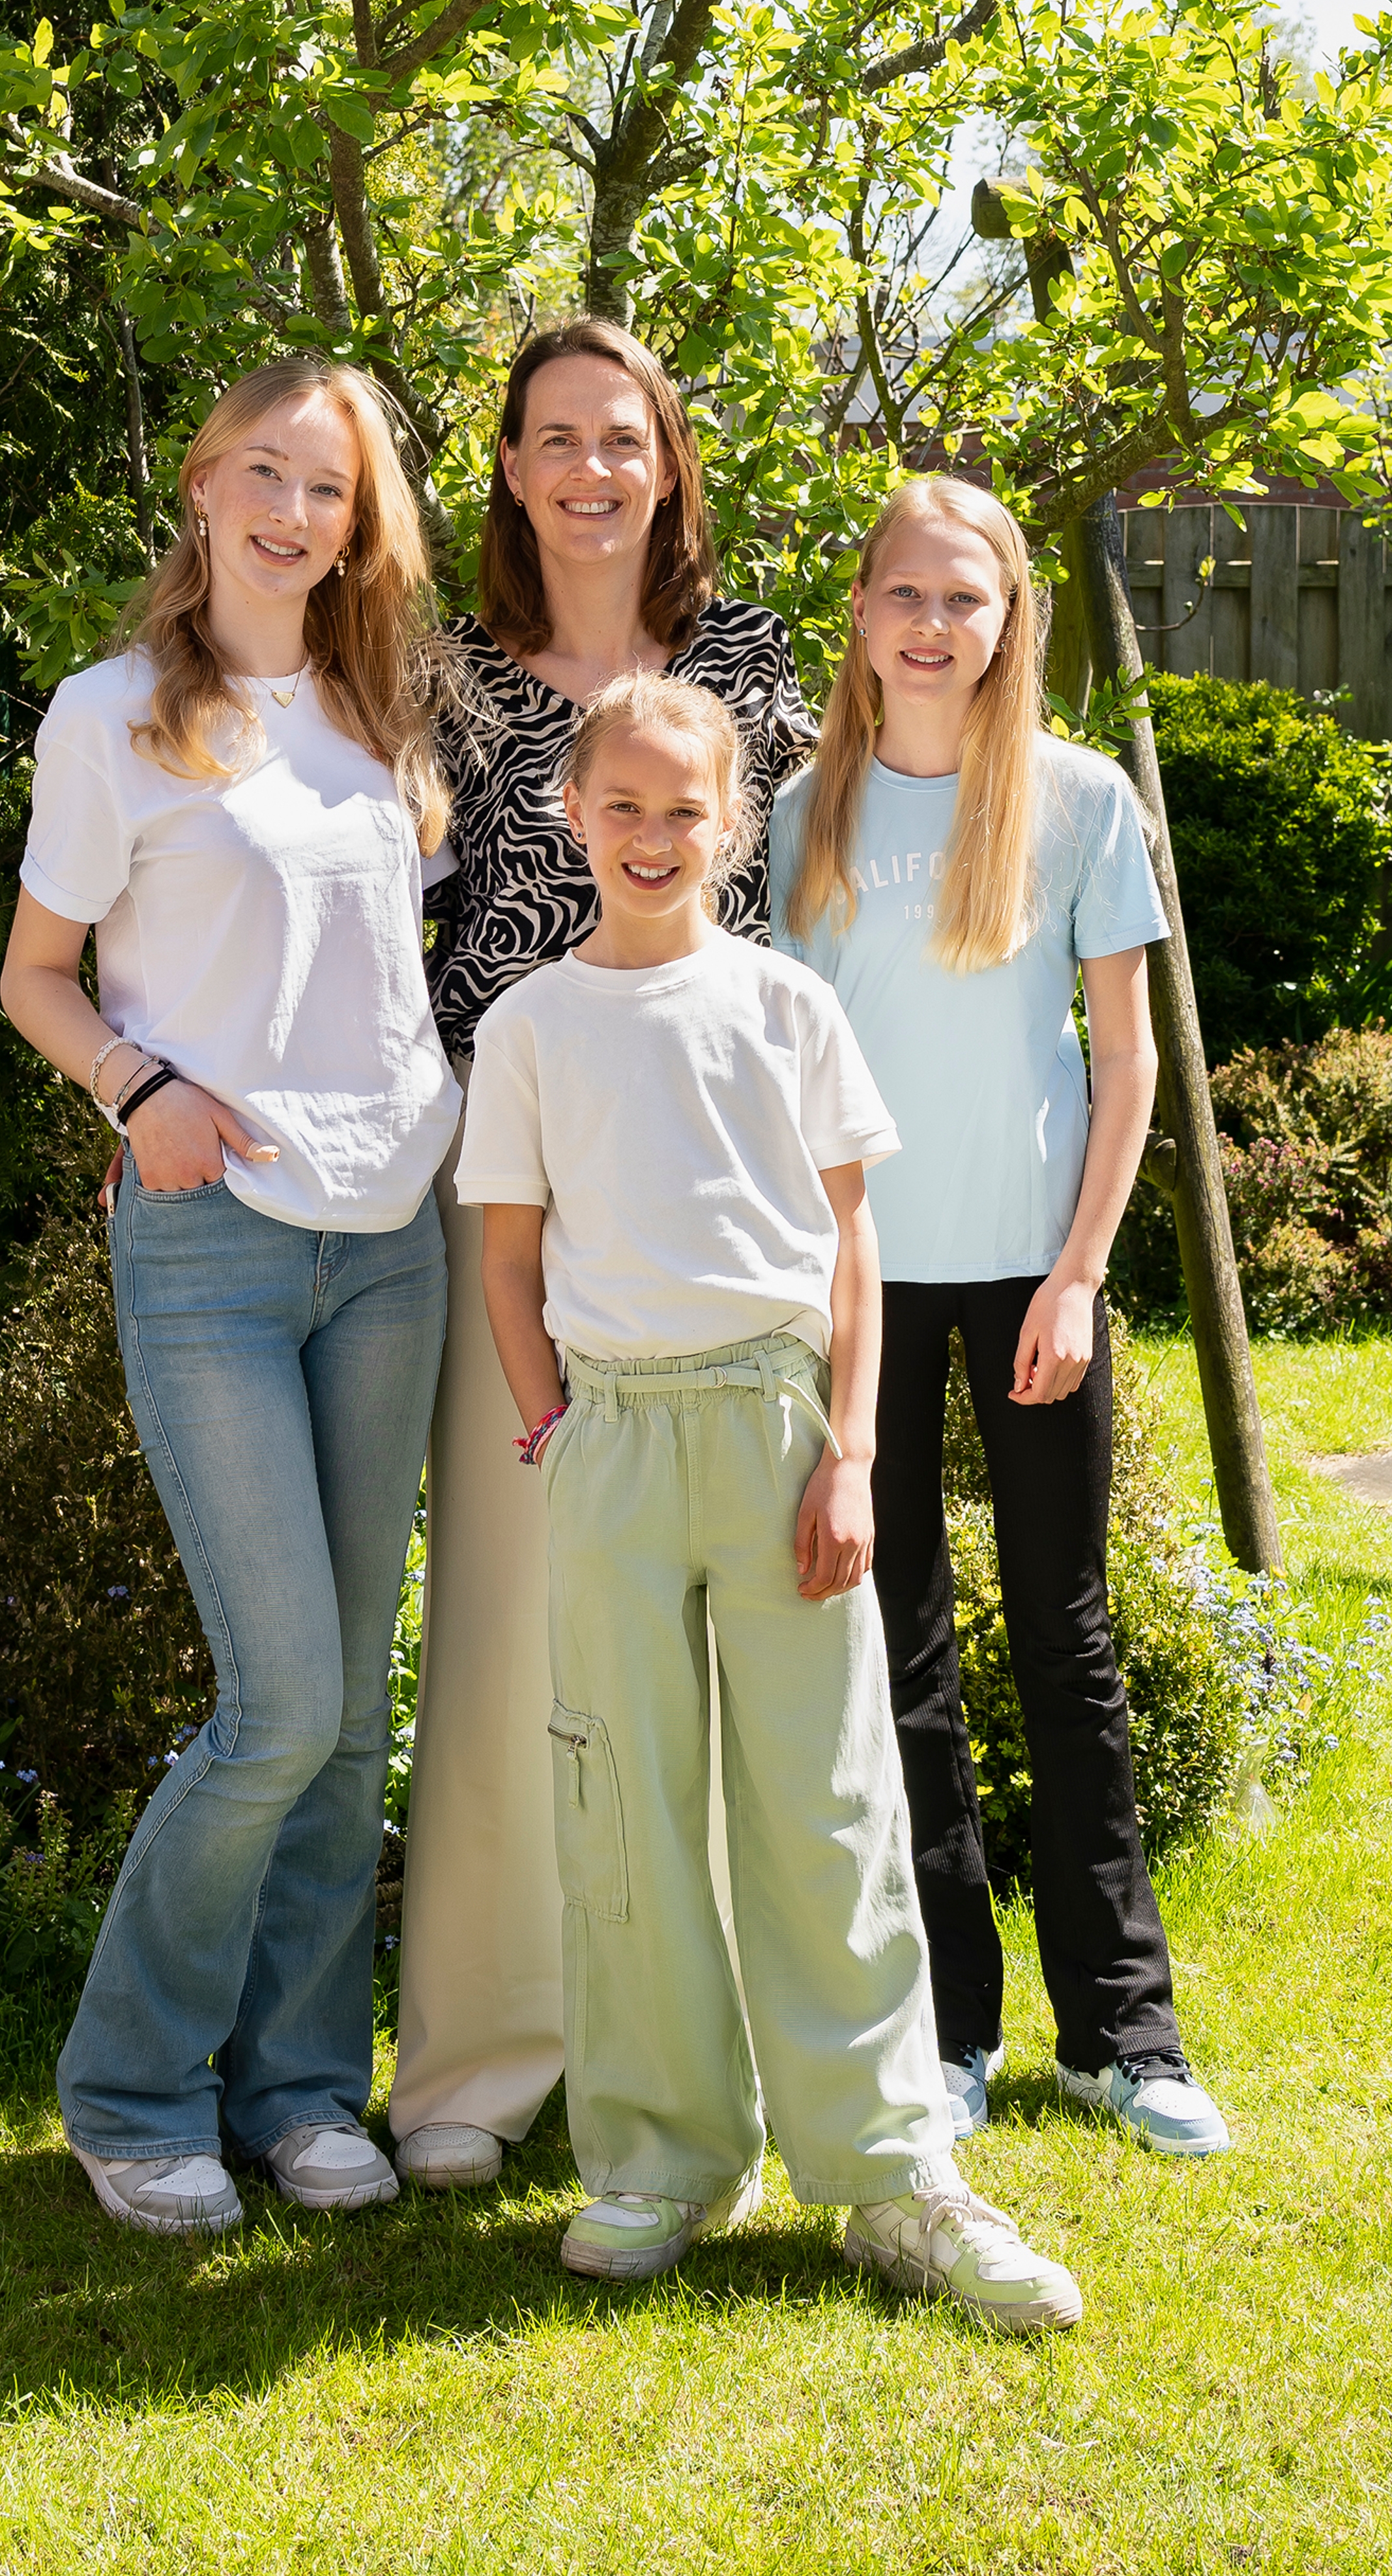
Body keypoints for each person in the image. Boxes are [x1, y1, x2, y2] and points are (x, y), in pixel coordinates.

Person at [454, 669, 1084, 2328]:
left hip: (777, 1431)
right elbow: (508, 1263)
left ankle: (891, 2170)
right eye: (624, 806)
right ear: (570, 815)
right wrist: (553, 1436)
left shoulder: (788, 1007)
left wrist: (854, 1451)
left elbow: (855, 1245)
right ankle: (662, 2153)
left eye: (688, 810)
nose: (655, 835)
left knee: (826, 1804)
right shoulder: (528, 1029)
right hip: (613, 1443)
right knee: (627, 1809)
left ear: (736, 827)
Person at [0, 351, 459, 2240]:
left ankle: (293, 2090)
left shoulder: (377, 709)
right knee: (275, 1702)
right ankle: (129, 2093)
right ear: (201, 486)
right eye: (265, 473)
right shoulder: (111, 719)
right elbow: (35, 974)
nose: (293, 512)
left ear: (361, 523)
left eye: (330, 489)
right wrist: (140, 1090)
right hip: (212, 1246)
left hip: (395, 1240)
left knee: (352, 1710)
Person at [388, 319, 813, 2194]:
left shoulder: (746, 664)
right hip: (513, 1192)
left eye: (621, 436)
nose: (588, 469)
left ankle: (690, 2049)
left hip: (706, 1208)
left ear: (668, 460)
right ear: (506, 464)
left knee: (705, 1643)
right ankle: (479, 2065)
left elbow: (801, 920)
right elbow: (365, 920)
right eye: (552, 437)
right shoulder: (442, 674)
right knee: (504, 1623)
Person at [770, 474, 1232, 2160]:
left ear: (1008, 618)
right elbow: (787, 1080)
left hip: (1038, 1281)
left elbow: (1128, 1065)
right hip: (866, 1291)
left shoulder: (1079, 802)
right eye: (908, 594)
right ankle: (948, 2031)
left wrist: (1084, 1272)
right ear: (864, 613)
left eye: (968, 600)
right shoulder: (806, 811)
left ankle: (1125, 2033)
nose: (935, 625)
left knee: (1066, 1644)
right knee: (898, 1661)